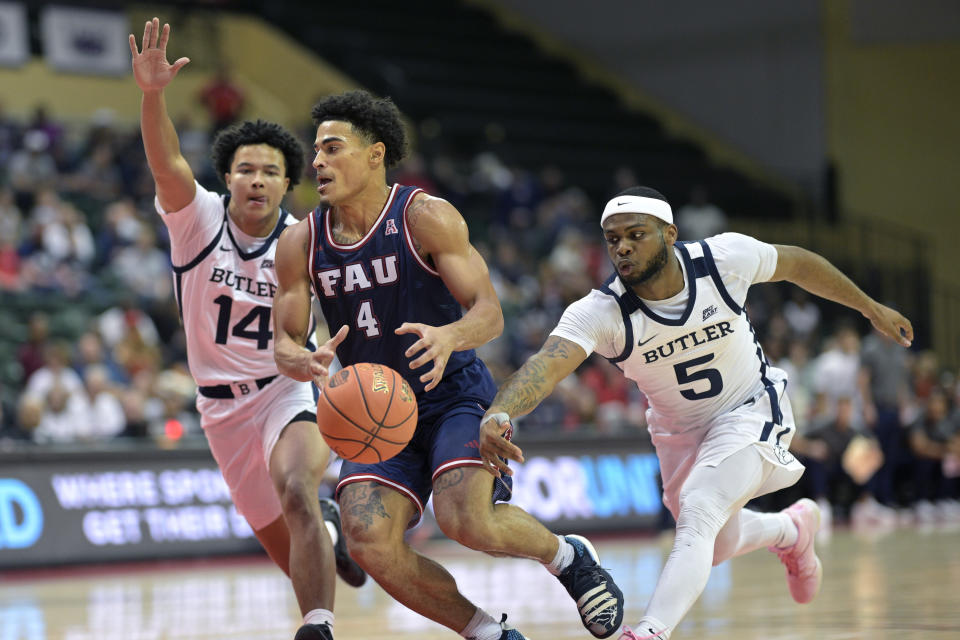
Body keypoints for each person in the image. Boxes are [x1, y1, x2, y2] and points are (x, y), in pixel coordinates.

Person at [478, 186, 913, 640]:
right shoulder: (603, 311)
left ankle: (649, 631)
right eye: (612, 239)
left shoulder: (724, 259)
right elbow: (545, 366)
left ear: (670, 234)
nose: (622, 247)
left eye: (635, 234)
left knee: (700, 509)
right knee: (714, 543)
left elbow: (798, 263)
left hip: (750, 405)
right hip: (678, 432)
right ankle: (790, 529)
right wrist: (500, 412)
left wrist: (870, 307)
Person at [273, 89, 624, 640]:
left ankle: (567, 557)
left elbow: (490, 313)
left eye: (332, 148)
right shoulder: (300, 242)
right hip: (376, 413)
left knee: (466, 520)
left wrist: (448, 336)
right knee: (367, 541)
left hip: (451, 396)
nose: (316, 161)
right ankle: (486, 632)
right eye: (314, 151)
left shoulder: (425, 217)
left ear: (374, 154)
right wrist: (305, 359)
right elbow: (284, 344)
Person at [129, 19, 364, 640]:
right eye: (244, 169)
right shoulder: (197, 220)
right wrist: (153, 97)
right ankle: (332, 532)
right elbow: (166, 159)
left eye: (270, 171)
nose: (256, 179)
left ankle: (317, 628)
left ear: (289, 184)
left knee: (296, 490)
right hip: (219, 412)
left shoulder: (307, 241)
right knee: (292, 550)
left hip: (284, 392)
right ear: (227, 178)